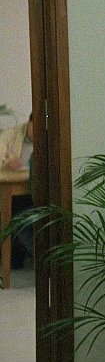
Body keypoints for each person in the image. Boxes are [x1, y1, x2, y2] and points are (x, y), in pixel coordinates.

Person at [0, 114, 35, 268]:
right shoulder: (11, 135)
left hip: (35, 191)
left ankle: (34, 254)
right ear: (29, 122)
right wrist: (6, 163)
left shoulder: (50, 139)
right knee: (16, 214)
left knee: (21, 215)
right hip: (12, 188)